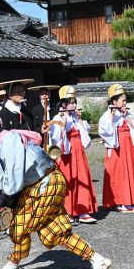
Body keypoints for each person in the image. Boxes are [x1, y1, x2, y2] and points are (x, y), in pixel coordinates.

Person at [0, 109, 112, 269]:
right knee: (54, 230)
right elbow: (0, 181)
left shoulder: (10, 141)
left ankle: (11, 266)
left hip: (47, 183)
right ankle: (97, 259)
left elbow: (13, 180)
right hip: (39, 185)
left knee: (19, 226)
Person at [98, 84, 134, 213]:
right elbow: (105, 131)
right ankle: (121, 203)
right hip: (117, 147)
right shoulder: (107, 115)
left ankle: (127, 201)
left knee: (129, 172)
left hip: (127, 147)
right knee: (118, 174)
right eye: (123, 100)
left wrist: (126, 115)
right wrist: (112, 116)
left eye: (125, 100)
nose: (125, 103)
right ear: (114, 101)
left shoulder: (125, 113)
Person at [49, 86, 98, 225]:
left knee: (82, 178)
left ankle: (83, 211)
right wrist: (63, 125)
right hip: (67, 154)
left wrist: (80, 120)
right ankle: (67, 211)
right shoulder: (57, 118)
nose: (75, 105)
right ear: (64, 104)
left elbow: (84, 135)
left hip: (78, 152)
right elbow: (56, 139)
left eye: (75, 102)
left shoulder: (75, 117)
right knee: (68, 182)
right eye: (72, 102)